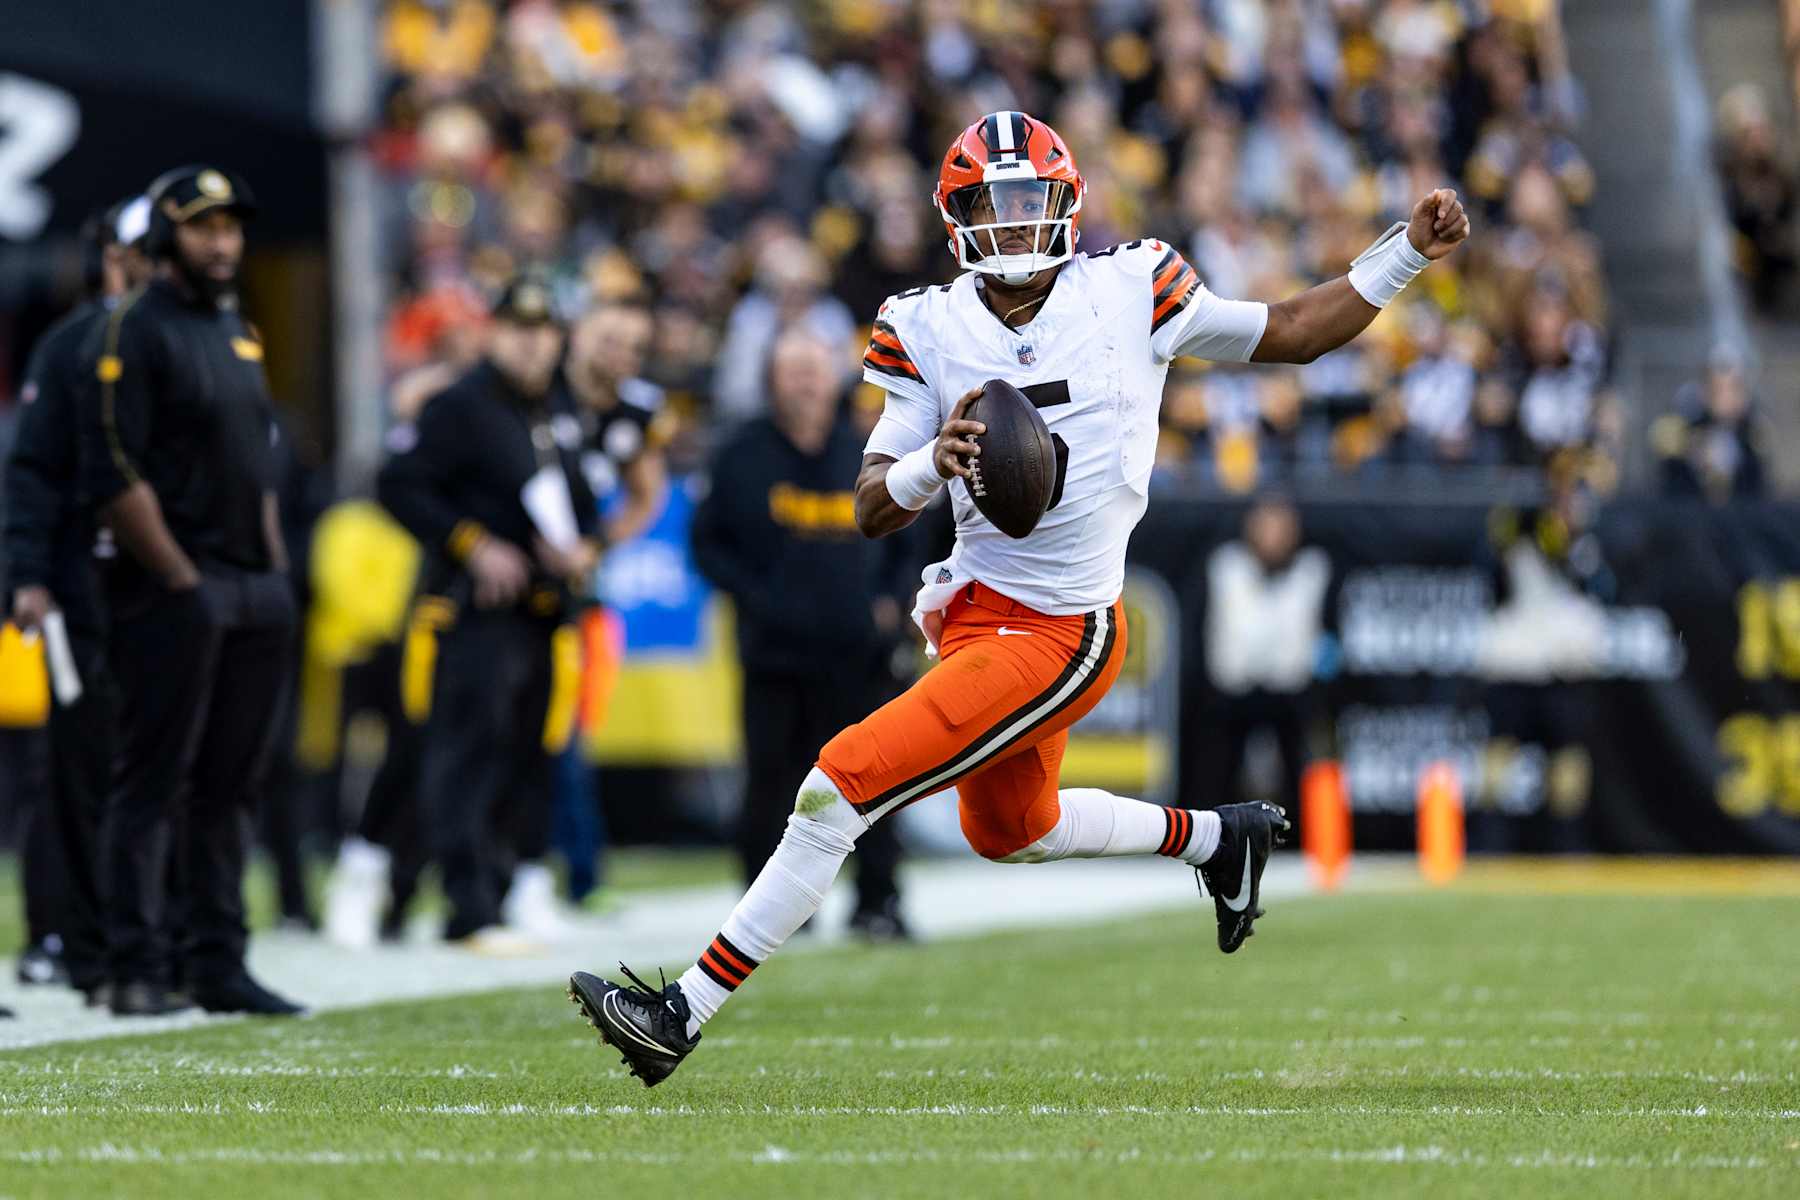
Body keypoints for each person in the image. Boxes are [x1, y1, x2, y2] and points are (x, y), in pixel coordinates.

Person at [568, 111, 1469, 1085]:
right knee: (1008, 830)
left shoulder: (1135, 285)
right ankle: (1219, 839)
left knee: (839, 783)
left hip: (1065, 628)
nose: (1008, 226)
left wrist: (1406, 255)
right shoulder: (923, 320)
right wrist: (926, 466)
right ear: (955, 219)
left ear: (1066, 204)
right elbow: (871, 504)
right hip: (976, 611)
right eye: (989, 208)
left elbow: (1291, 333)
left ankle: (681, 1012)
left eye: (1027, 203)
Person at [80, 166, 301, 1016]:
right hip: (180, 587)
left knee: (229, 783)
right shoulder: (133, 330)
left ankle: (217, 959)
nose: (223, 243)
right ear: (169, 235)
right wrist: (179, 577)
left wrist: (272, 570)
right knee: (152, 779)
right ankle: (135, 962)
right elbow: (114, 469)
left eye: (232, 228)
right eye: (205, 227)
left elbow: (261, 463)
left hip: (253, 587)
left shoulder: (237, 327)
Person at [377, 274, 600, 948]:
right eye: (519, 331)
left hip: (541, 613)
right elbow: (398, 485)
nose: (532, 346)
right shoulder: (461, 405)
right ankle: (464, 906)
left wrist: (580, 547)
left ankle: (496, 896)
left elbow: (577, 502)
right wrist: (473, 545)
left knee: (525, 759)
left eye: (543, 333)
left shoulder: (552, 407)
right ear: (494, 334)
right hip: (478, 613)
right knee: (465, 755)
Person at [690, 328, 913, 942]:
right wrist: (757, 600)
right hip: (775, 655)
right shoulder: (741, 455)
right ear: (771, 380)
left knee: (875, 785)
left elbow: (909, 531)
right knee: (769, 786)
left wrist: (892, 601)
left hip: (858, 654)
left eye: (815, 369)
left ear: (836, 377)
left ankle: (880, 902)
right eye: (793, 370)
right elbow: (707, 544)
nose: (807, 382)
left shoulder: (864, 452)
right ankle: (766, 916)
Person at [3, 196, 153, 1003]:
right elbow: (29, 473)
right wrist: (27, 574)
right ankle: (60, 932)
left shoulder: (194, 335)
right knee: (73, 767)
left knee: (158, 769)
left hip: (166, 594)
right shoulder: (69, 345)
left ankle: (141, 932)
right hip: (81, 589)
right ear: (109, 254)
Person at [550, 302, 670, 903]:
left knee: (569, 737)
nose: (622, 354)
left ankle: (577, 875)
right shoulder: (541, 387)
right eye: (611, 339)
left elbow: (648, 493)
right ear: (578, 337)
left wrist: (596, 543)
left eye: (634, 344)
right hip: (521, 579)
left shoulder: (634, 410)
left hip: (577, 591)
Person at [1205, 497, 1330, 819]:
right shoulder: (1228, 567)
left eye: (1281, 528)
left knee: (1296, 766)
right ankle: (1217, 832)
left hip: (1289, 689)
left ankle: (1300, 836)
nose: (1273, 536)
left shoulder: (1310, 571)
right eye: (1266, 527)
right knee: (1221, 768)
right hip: (1236, 687)